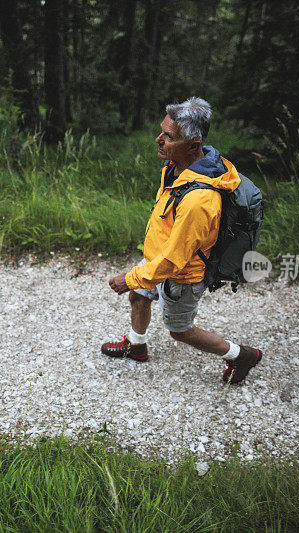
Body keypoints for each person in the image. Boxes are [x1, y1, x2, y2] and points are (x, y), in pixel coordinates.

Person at [102, 96, 262, 384]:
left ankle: (241, 355)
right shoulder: (178, 167)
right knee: (139, 295)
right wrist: (139, 278)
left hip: (181, 276)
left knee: (180, 331)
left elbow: (176, 259)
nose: (158, 139)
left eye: (168, 137)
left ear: (193, 146)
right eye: (162, 131)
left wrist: (130, 277)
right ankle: (137, 347)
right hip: (158, 259)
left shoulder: (200, 200)